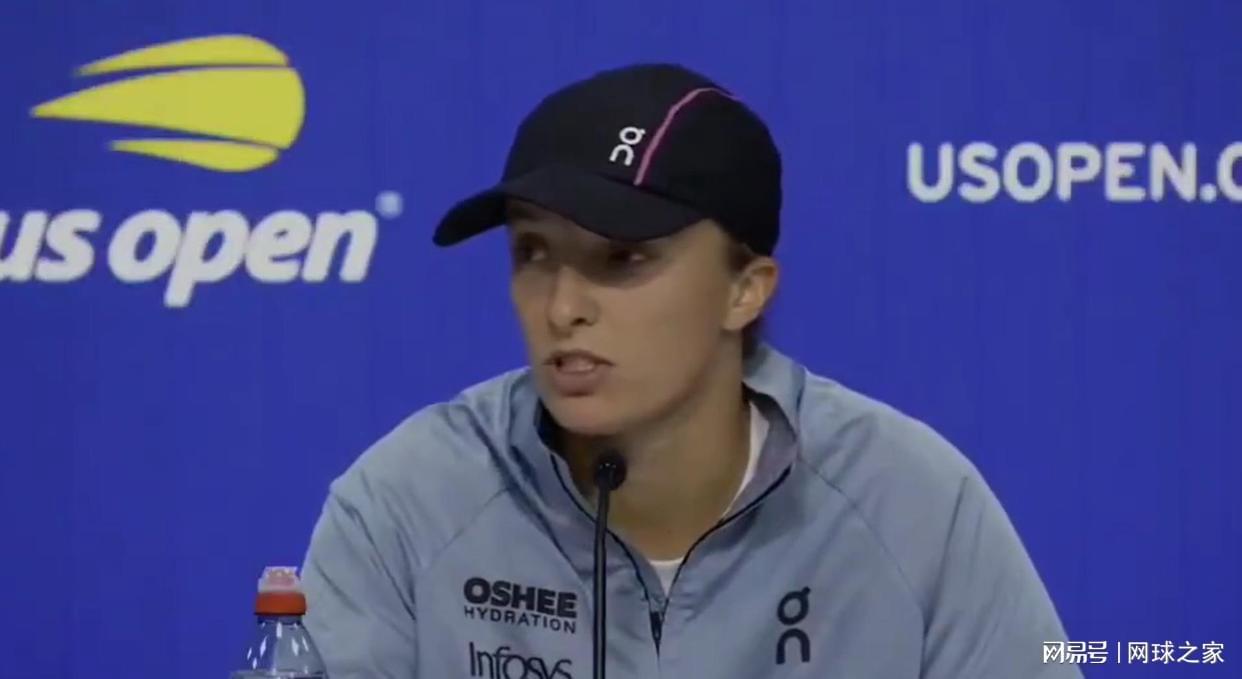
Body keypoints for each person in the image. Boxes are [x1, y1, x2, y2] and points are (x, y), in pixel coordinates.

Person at [300, 63, 1080, 678]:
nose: (562, 306)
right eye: (532, 252)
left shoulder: (913, 506)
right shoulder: (407, 504)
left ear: (746, 289)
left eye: (622, 257)